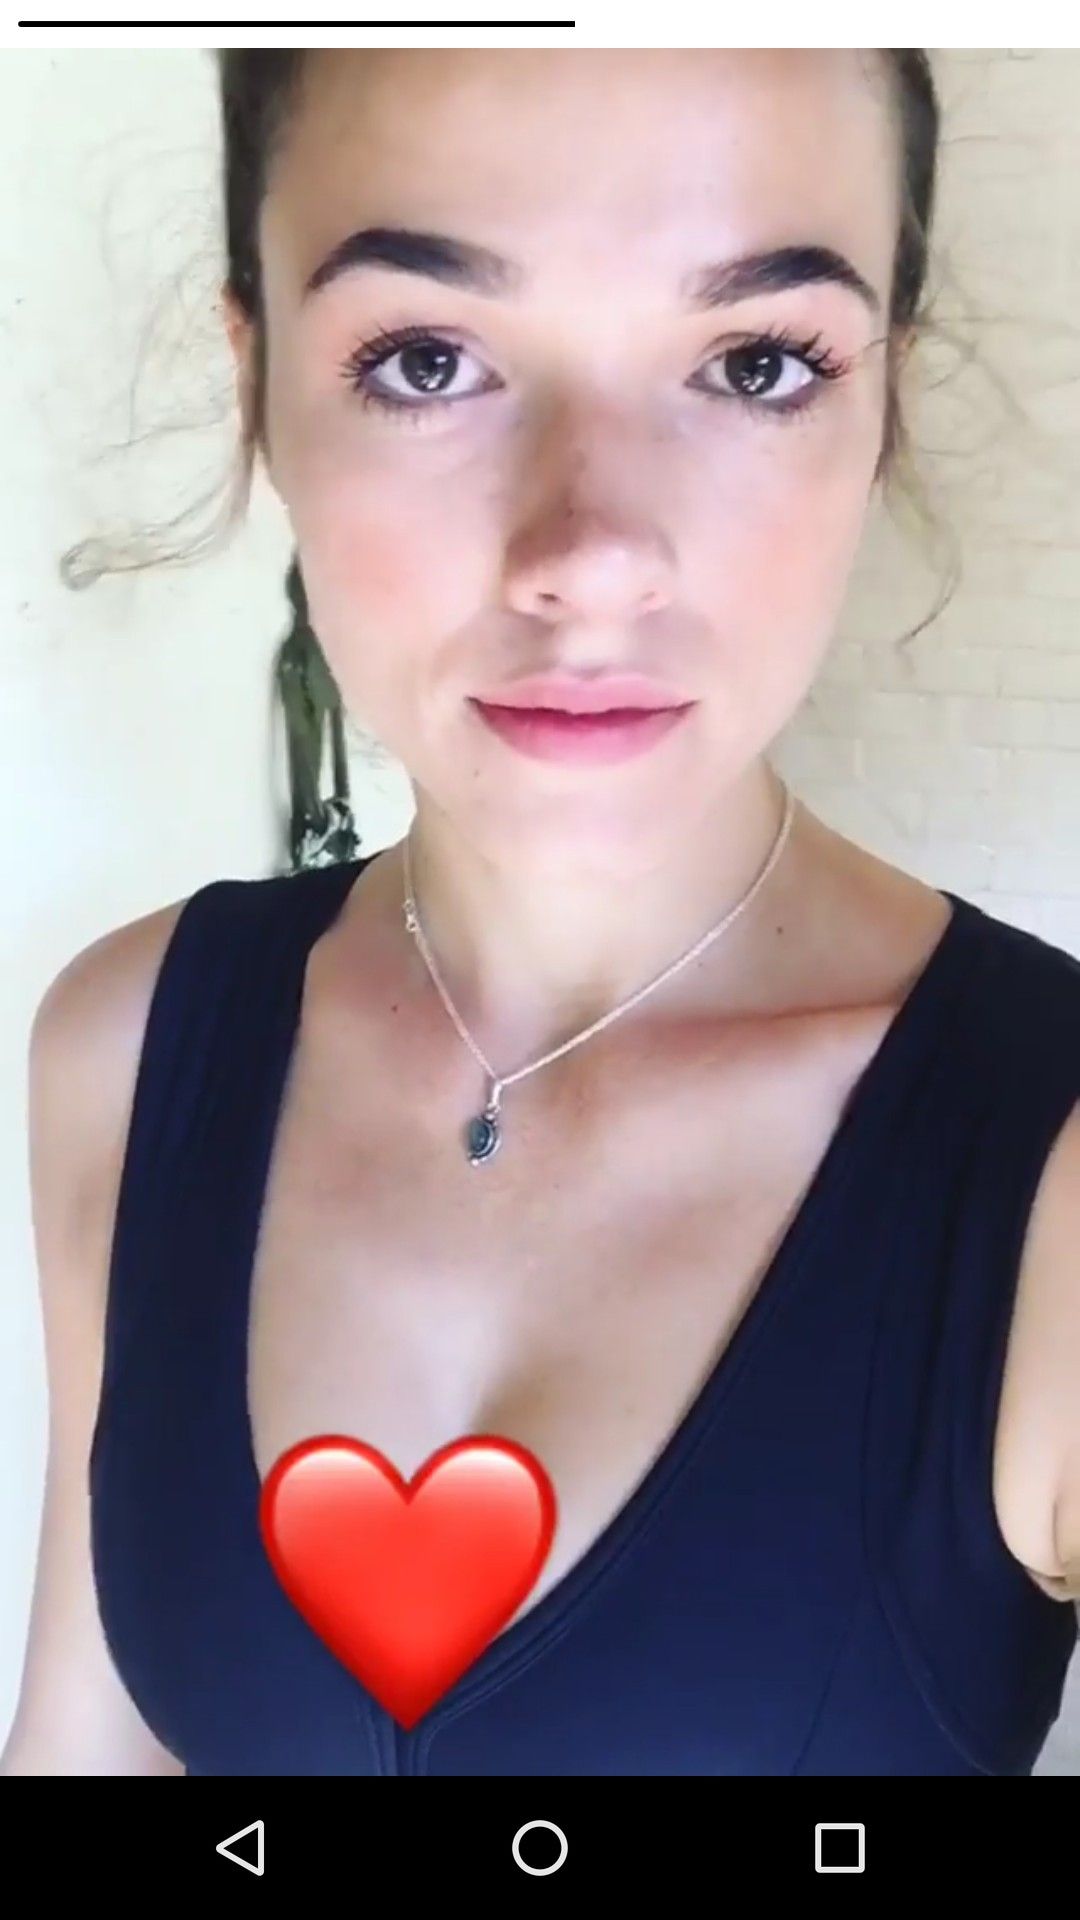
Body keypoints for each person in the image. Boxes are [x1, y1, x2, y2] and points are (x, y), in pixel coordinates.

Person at [3, 47, 1078, 1779]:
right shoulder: (123, 1053)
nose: (589, 556)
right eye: (426, 359)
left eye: (756, 362)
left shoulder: (1052, 1167)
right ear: (255, 388)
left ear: (883, 401)